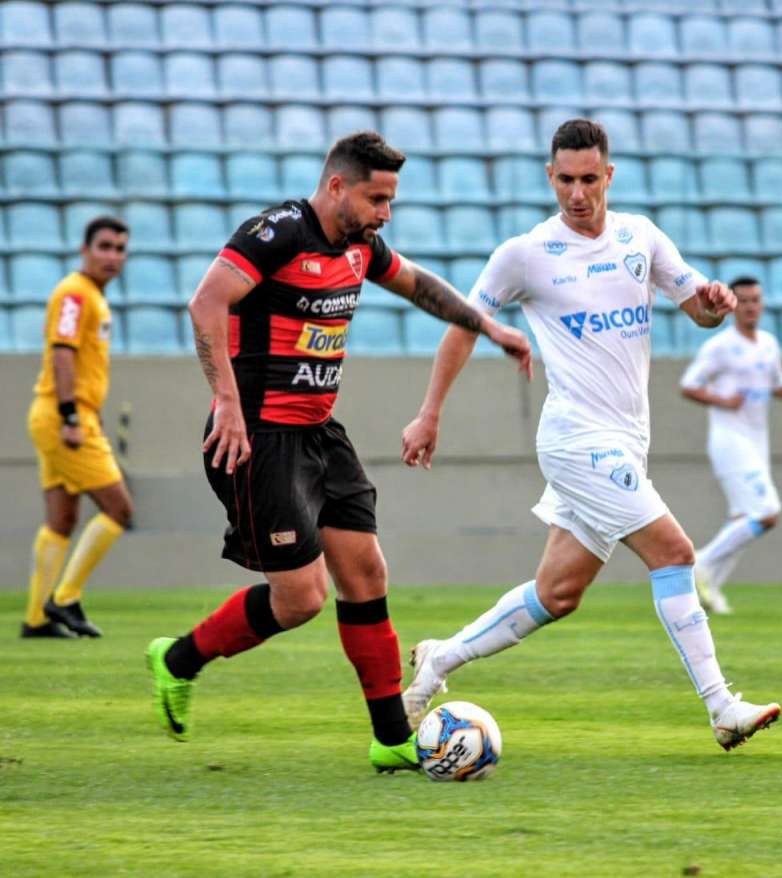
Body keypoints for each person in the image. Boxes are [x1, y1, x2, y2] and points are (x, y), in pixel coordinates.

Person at [144, 132, 531, 772]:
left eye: (390, 202)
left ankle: (388, 737)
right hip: (257, 437)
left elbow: (415, 284)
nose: (384, 213)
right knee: (301, 599)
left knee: (367, 573)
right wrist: (229, 403)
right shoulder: (276, 234)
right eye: (377, 199)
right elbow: (206, 302)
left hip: (320, 432)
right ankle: (178, 659)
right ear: (336, 187)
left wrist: (485, 325)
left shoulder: (359, 244)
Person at [400, 119, 781, 752]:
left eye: (589, 179)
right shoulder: (525, 254)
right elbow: (463, 321)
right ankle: (721, 707)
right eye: (566, 181)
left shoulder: (640, 237)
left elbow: (701, 309)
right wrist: (430, 412)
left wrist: (714, 300)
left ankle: (439, 659)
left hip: (627, 440)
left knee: (558, 593)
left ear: (609, 176)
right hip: (576, 438)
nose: (578, 194)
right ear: (551, 178)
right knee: (676, 554)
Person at [22, 216, 134, 640]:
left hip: (61, 412)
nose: (113, 256)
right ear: (84, 249)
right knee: (119, 509)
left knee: (61, 520)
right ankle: (65, 598)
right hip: (62, 415)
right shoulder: (75, 294)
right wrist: (72, 415)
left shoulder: (90, 296)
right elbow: (63, 355)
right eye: (104, 246)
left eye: (120, 248)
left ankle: (36, 619)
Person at [679, 277, 782, 614]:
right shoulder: (720, 346)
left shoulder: (768, 344)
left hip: (757, 440)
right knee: (766, 513)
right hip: (729, 439)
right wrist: (723, 401)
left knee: (743, 518)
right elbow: (689, 385)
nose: (752, 306)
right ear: (733, 304)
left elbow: (777, 385)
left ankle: (710, 590)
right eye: (745, 300)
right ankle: (700, 564)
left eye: (757, 299)